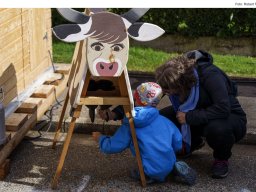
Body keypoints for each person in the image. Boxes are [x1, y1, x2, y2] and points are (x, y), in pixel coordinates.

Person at [155, 50, 247, 179]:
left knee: (217, 129)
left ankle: (221, 159)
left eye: (168, 90)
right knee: (160, 118)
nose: (165, 92)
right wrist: (119, 112)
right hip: (198, 113)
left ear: (181, 85)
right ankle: (193, 143)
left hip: (229, 117)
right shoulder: (170, 78)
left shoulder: (210, 75)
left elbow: (223, 108)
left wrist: (188, 117)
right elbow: (147, 96)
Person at [92, 82, 197, 184]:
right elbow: (178, 142)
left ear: (135, 99)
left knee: (137, 171)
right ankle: (171, 168)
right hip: (169, 161)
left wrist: (100, 138)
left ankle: (149, 176)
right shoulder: (165, 121)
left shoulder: (131, 124)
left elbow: (114, 146)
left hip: (149, 169)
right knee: (162, 158)